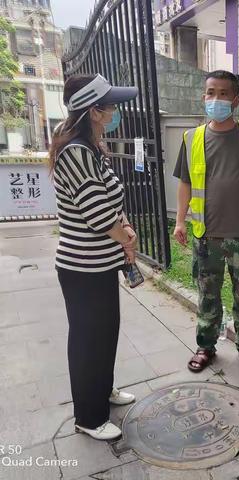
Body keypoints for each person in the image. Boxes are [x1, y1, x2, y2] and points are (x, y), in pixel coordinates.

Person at [49, 74, 139, 440]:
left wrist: (124, 227)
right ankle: (88, 416)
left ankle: (102, 391)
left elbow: (107, 201)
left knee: (105, 333)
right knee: (89, 339)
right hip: (82, 267)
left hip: (98, 264)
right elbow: (98, 215)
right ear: (94, 111)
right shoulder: (76, 152)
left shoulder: (90, 145)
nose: (115, 110)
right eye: (110, 104)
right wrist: (126, 238)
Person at [173, 70, 239, 373]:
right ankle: (206, 346)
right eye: (210, 93)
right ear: (203, 96)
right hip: (206, 235)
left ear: (235, 99)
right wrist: (180, 222)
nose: (215, 99)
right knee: (208, 295)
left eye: (222, 94)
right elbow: (185, 183)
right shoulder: (191, 137)